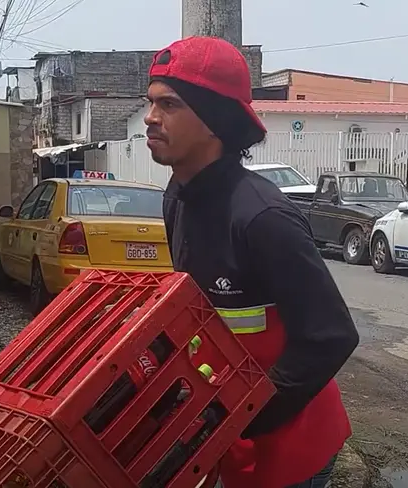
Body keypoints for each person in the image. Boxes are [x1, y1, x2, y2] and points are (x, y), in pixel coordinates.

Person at [144, 37, 360, 488]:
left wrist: (244, 416)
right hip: (229, 437)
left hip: (290, 444)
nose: (150, 117)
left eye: (169, 104)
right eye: (151, 102)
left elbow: (331, 336)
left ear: (214, 121)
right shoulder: (177, 200)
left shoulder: (262, 217)